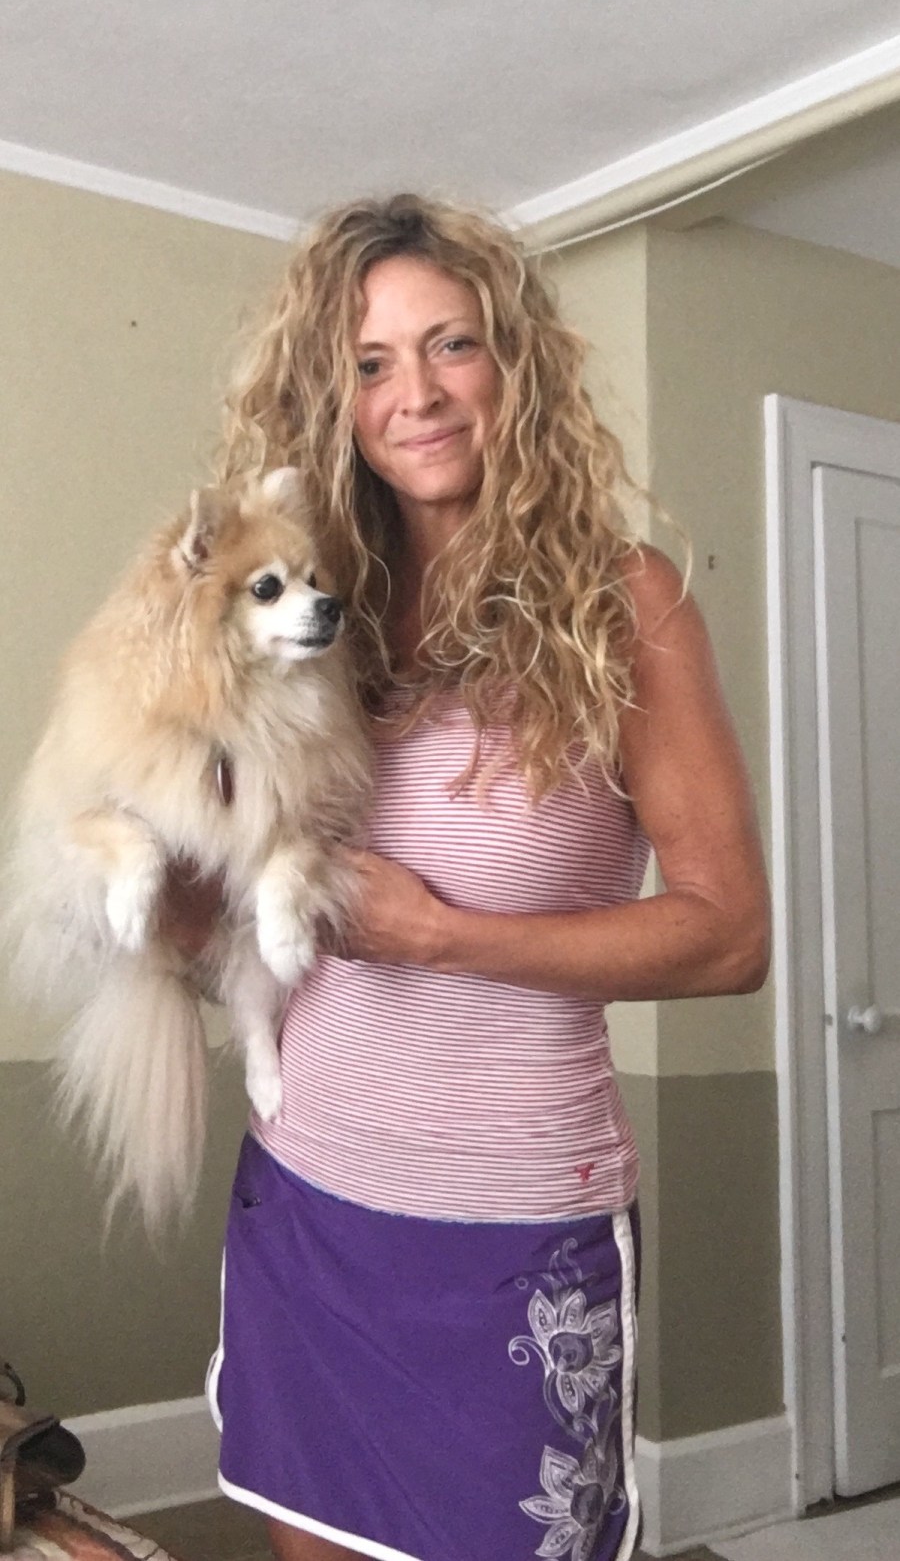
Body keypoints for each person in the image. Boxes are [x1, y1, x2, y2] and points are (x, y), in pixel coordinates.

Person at [196, 193, 770, 1561]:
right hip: (306, 1203)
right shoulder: (307, 605)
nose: (417, 394)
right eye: (372, 362)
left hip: (511, 1234)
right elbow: (249, 898)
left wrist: (443, 934)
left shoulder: (623, 602)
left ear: (514, 360)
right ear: (334, 398)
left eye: (450, 344)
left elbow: (729, 936)